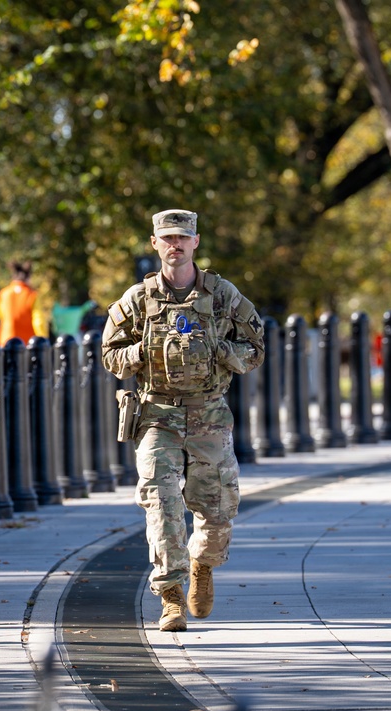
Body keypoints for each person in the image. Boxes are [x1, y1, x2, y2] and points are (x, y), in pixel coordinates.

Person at [100, 208, 264, 632]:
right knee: (162, 504)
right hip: (158, 414)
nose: (175, 245)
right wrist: (143, 352)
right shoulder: (139, 298)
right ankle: (170, 597)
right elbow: (109, 354)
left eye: (182, 238)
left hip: (209, 414)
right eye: (167, 238)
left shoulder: (223, 294)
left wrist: (220, 351)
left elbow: (256, 346)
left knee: (218, 511)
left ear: (195, 243)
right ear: (155, 244)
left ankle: (202, 565)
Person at [0, 260, 47, 345]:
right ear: (28, 277)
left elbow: (0, 315)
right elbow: (38, 321)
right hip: (27, 343)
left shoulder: (4, 293)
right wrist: (43, 340)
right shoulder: (32, 295)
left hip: (5, 342)